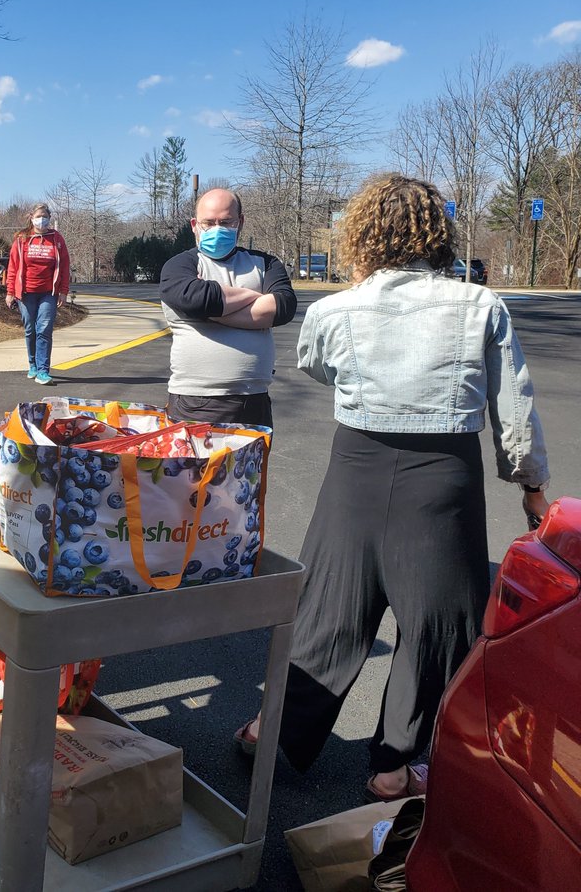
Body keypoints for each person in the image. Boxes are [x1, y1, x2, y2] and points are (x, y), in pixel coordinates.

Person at [235, 175, 551, 802]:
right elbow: (513, 408)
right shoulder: (479, 306)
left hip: (355, 468)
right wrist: (531, 482)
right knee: (436, 622)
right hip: (444, 477)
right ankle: (393, 766)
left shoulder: (333, 310)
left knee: (331, 611)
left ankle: (270, 732)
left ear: (363, 234)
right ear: (438, 234)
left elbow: (316, 365)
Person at [158, 188, 297, 426]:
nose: (217, 229)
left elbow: (283, 306)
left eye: (226, 222)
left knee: (253, 465)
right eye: (208, 223)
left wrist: (212, 313)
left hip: (254, 401)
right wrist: (253, 296)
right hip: (196, 402)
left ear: (240, 222)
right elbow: (196, 299)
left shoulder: (265, 263)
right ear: (194, 225)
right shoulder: (181, 265)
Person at [4, 203, 70, 385]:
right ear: (32, 217)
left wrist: (63, 291)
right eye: (39, 216)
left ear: (49, 218)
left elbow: (64, 266)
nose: (42, 220)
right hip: (25, 293)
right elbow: (12, 267)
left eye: (45, 216)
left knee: (44, 330)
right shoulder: (21, 238)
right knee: (31, 329)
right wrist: (10, 292)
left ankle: (43, 370)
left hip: (48, 293)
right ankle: (32, 365)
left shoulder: (56, 239)